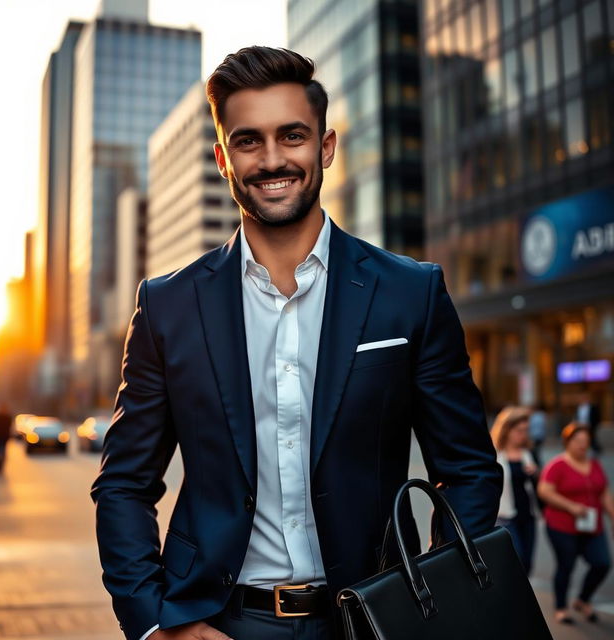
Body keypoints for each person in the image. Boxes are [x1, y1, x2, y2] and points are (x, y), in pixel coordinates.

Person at [91, 46, 502, 640]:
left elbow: (467, 468)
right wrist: (157, 624)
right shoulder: (168, 306)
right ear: (222, 158)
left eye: (292, 136)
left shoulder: (411, 293)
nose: (272, 159)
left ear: (326, 147)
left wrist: (433, 600)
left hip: (375, 620)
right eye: (248, 141)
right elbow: (124, 483)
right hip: (221, 620)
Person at [538, 422, 614, 625]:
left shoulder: (595, 464)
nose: (582, 445)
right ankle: (561, 607)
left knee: (602, 563)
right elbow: (544, 491)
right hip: (562, 526)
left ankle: (583, 599)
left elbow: (604, 492)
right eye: (578, 441)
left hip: (592, 526)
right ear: (567, 442)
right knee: (566, 565)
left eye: (586, 442)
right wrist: (571, 507)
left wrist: (612, 514)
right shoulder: (557, 465)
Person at [490, 406, 538, 576]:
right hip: (505, 517)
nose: (523, 435)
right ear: (506, 430)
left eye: (526, 430)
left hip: (528, 515)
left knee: (528, 563)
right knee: (516, 560)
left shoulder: (529, 453)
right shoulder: (495, 455)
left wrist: (535, 474)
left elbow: (540, 486)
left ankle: (522, 600)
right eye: (519, 430)